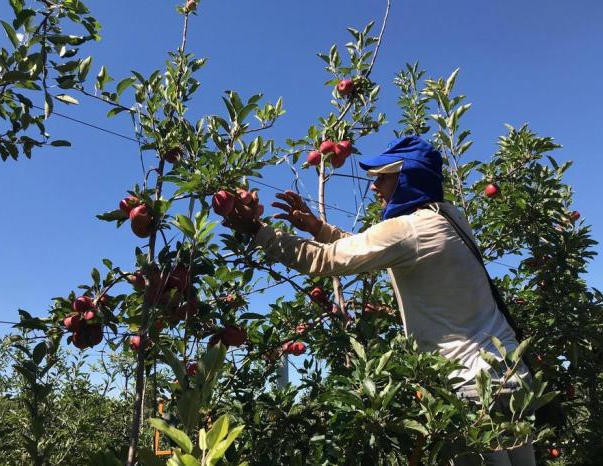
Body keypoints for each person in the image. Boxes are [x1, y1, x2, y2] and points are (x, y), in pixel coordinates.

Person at [223, 136, 535, 465]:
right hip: (513, 372)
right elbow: (372, 246)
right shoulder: (449, 216)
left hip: (471, 386)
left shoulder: (406, 229)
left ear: (408, 177)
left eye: (382, 177)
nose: (374, 187)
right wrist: (319, 228)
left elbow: (326, 262)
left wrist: (258, 231)